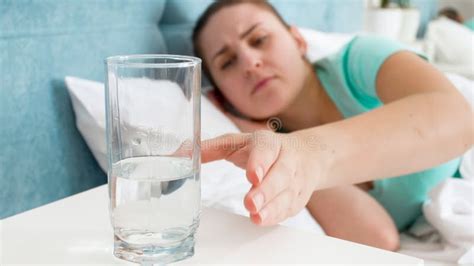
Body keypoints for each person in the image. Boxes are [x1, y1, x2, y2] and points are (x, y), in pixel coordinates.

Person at [192, 0, 473, 251]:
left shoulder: (358, 60)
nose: (250, 63)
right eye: (228, 62)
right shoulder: (282, 152)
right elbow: (379, 239)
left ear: (298, 40)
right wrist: (257, 133)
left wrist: (311, 153)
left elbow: (457, 117)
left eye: (259, 39)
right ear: (221, 96)